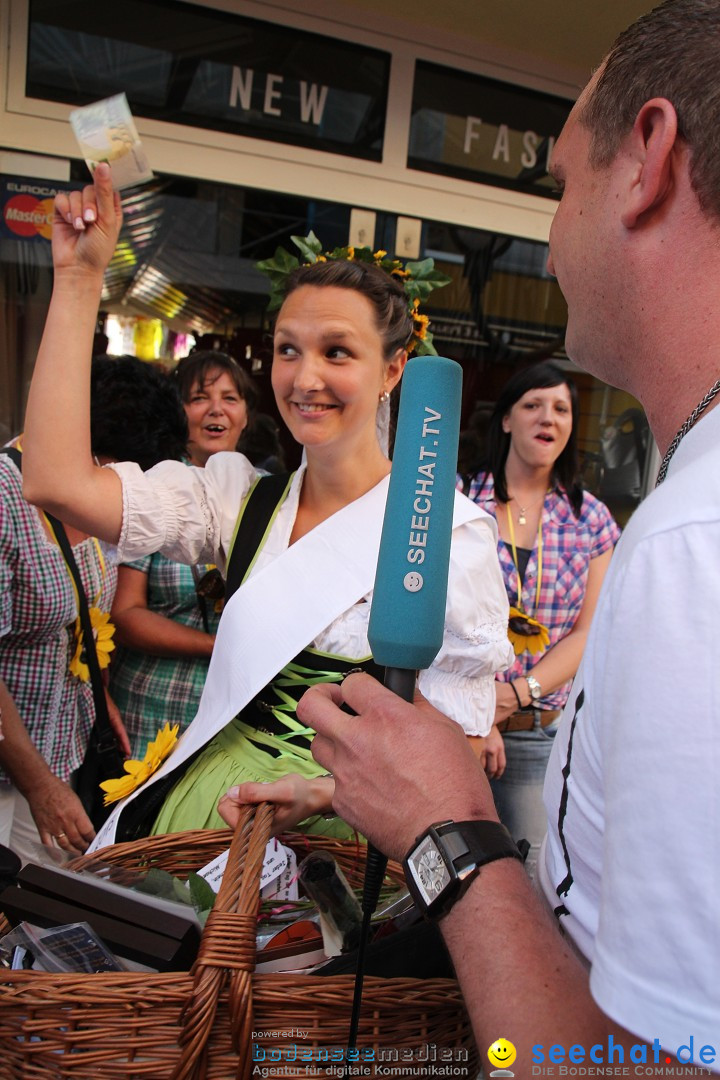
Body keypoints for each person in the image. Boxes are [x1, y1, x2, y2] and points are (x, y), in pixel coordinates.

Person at [263, 0, 720, 1072]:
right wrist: (400, 797)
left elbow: (647, 1064)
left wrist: (447, 837)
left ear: (647, 157)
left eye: (562, 186)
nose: (550, 237)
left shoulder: (692, 543)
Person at [21, 186, 512, 846]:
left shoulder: (448, 535)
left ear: (394, 369)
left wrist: (326, 791)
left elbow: (464, 753)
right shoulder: (237, 501)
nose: (305, 378)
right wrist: (79, 278)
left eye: (337, 352)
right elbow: (55, 482)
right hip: (219, 807)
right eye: (288, 349)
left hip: (349, 835)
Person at [0, 356, 187, 861]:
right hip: (16, 773)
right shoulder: (5, 497)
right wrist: (40, 786)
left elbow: (82, 620)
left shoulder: (90, 507)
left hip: (61, 752)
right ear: (96, 455)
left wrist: (98, 696)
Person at [462, 361, 619, 877]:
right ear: (506, 419)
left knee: (530, 880)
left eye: (560, 408)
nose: (546, 417)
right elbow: (443, 620)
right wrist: (479, 708)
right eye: (532, 404)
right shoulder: (461, 502)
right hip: (457, 722)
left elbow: (589, 633)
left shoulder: (590, 519)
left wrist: (512, 697)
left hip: (539, 732)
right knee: (443, 878)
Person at [109, 351, 257, 757]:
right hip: (153, 711)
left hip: (235, 718)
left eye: (230, 398)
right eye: (199, 398)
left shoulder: (269, 495)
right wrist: (215, 646)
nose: (216, 410)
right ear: (179, 412)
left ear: (245, 415)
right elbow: (125, 615)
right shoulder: (149, 491)